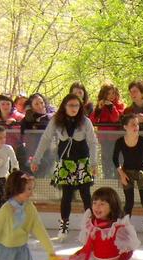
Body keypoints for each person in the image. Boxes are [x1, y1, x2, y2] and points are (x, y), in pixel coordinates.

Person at [31, 94, 98, 241]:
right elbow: (45, 139)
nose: (73, 108)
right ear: (64, 106)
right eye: (70, 105)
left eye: (76, 106)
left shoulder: (85, 122)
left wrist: (93, 163)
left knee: (85, 194)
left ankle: (91, 225)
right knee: (66, 195)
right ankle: (64, 225)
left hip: (82, 162)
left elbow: (93, 143)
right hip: (65, 163)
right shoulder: (56, 121)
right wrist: (36, 159)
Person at [113, 114, 143, 241]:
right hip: (127, 173)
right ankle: (124, 229)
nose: (136, 127)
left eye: (137, 124)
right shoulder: (120, 141)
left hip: (141, 172)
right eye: (132, 124)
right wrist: (121, 174)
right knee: (129, 203)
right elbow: (115, 159)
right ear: (125, 127)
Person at [90, 82, 125, 179]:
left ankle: (119, 181)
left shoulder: (119, 105)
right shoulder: (100, 105)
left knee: (117, 161)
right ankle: (108, 181)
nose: (111, 96)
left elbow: (115, 118)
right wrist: (98, 109)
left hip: (117, 139)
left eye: (113, 93)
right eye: (108, 94)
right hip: (104, 140)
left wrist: (111, 107)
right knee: (106, 162)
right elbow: (92, 121)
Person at [20, 93, 54, 176]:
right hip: (34, 151)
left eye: (41, 103)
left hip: (50, 150)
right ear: (31, 106)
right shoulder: (28, 119)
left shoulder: (52, 115)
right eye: (36, 104)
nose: (40, 106)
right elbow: (23, 131)